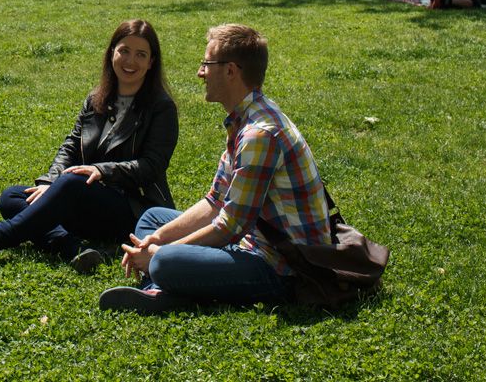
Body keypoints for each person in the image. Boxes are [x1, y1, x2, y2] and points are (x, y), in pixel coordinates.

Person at [98, 23, 333, 314]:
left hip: (281, 267)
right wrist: (157, 240)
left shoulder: (260, 134)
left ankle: (163, 285)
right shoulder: (245, 117)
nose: (201, 73)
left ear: (230, 71)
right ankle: (170, 286)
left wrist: (162, 252)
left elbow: (229, 227)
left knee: (164, 261)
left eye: (207, 64)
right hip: (250, 241)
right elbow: (215, 202)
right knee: (153, 219)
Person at [0, 20, 178, 274]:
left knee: (71, 182)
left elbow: (151, 166)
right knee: (13, 197)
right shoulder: (97, 98)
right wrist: (49, 182)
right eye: (124, 51)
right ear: (112, 54)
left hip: (132, 209)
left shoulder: (161, 107)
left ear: (151, 62)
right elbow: (72, 145)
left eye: (141, 54)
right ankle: (72, 248)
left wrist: (102, 171)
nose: (130, 61)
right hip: (86, 200)